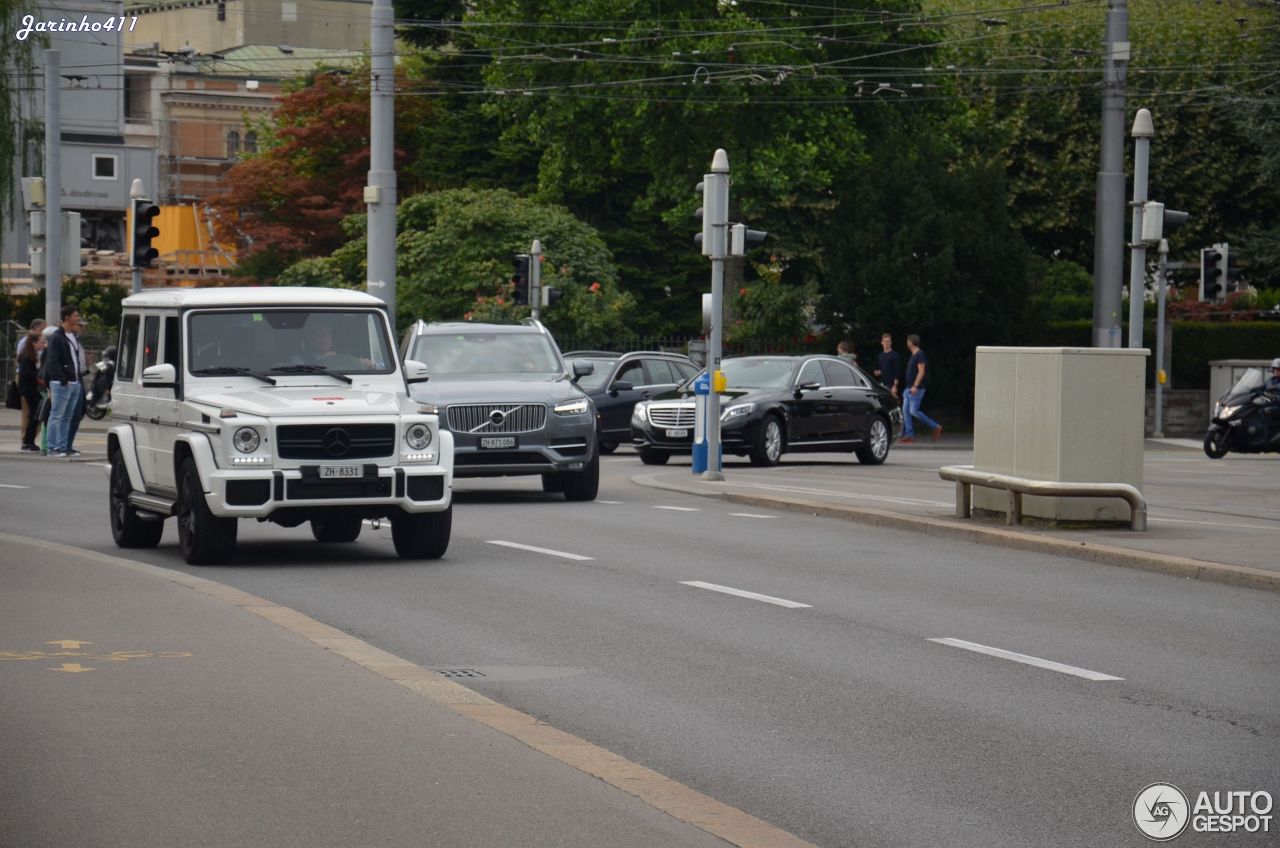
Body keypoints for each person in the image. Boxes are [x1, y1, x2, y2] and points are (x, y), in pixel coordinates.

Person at [43, 305, 87, 458]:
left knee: (67, 416)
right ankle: (52, 448)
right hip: (62, 383)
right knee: (56, 415)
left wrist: (76, 380)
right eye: (75, 315)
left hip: (74, 382)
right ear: (67, 317)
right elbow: (53, 361)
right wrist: (62, 379)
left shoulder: (73, 336)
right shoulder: (56, 337)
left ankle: (63, 446)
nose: (78, 318)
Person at [901, 333, 942, 443]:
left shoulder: (920, 355)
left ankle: (935, 426)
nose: (907, 343)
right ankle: (909, 435)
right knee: (905, 411)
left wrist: (915, 386)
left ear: (911, 342)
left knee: (913, 411)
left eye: (908, 341)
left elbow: (921, 372)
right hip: (908, 388)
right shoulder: (913, 355)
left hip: (916, 388)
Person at [15, 318, 46, 442]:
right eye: (41, 342)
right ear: (33, 343)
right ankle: (27, 440)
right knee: (32, 414)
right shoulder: (27, 354)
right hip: (29, 388)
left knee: (36, 414)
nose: (43, 345)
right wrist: (39, 374)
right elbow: (26, 372)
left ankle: (29, 440)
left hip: (33, 387)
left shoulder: (34, 354)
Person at [873, 333, 901, 399]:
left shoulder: (895, 355)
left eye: (888, 341)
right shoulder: (880, 356)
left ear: (891, 342)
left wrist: (895, 386)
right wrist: (876, 372)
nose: (886, 343)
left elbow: (897, 372)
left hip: (891, 385)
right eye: (885, 341)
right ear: (882, 343)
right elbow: (878, 370)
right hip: (881, 385)